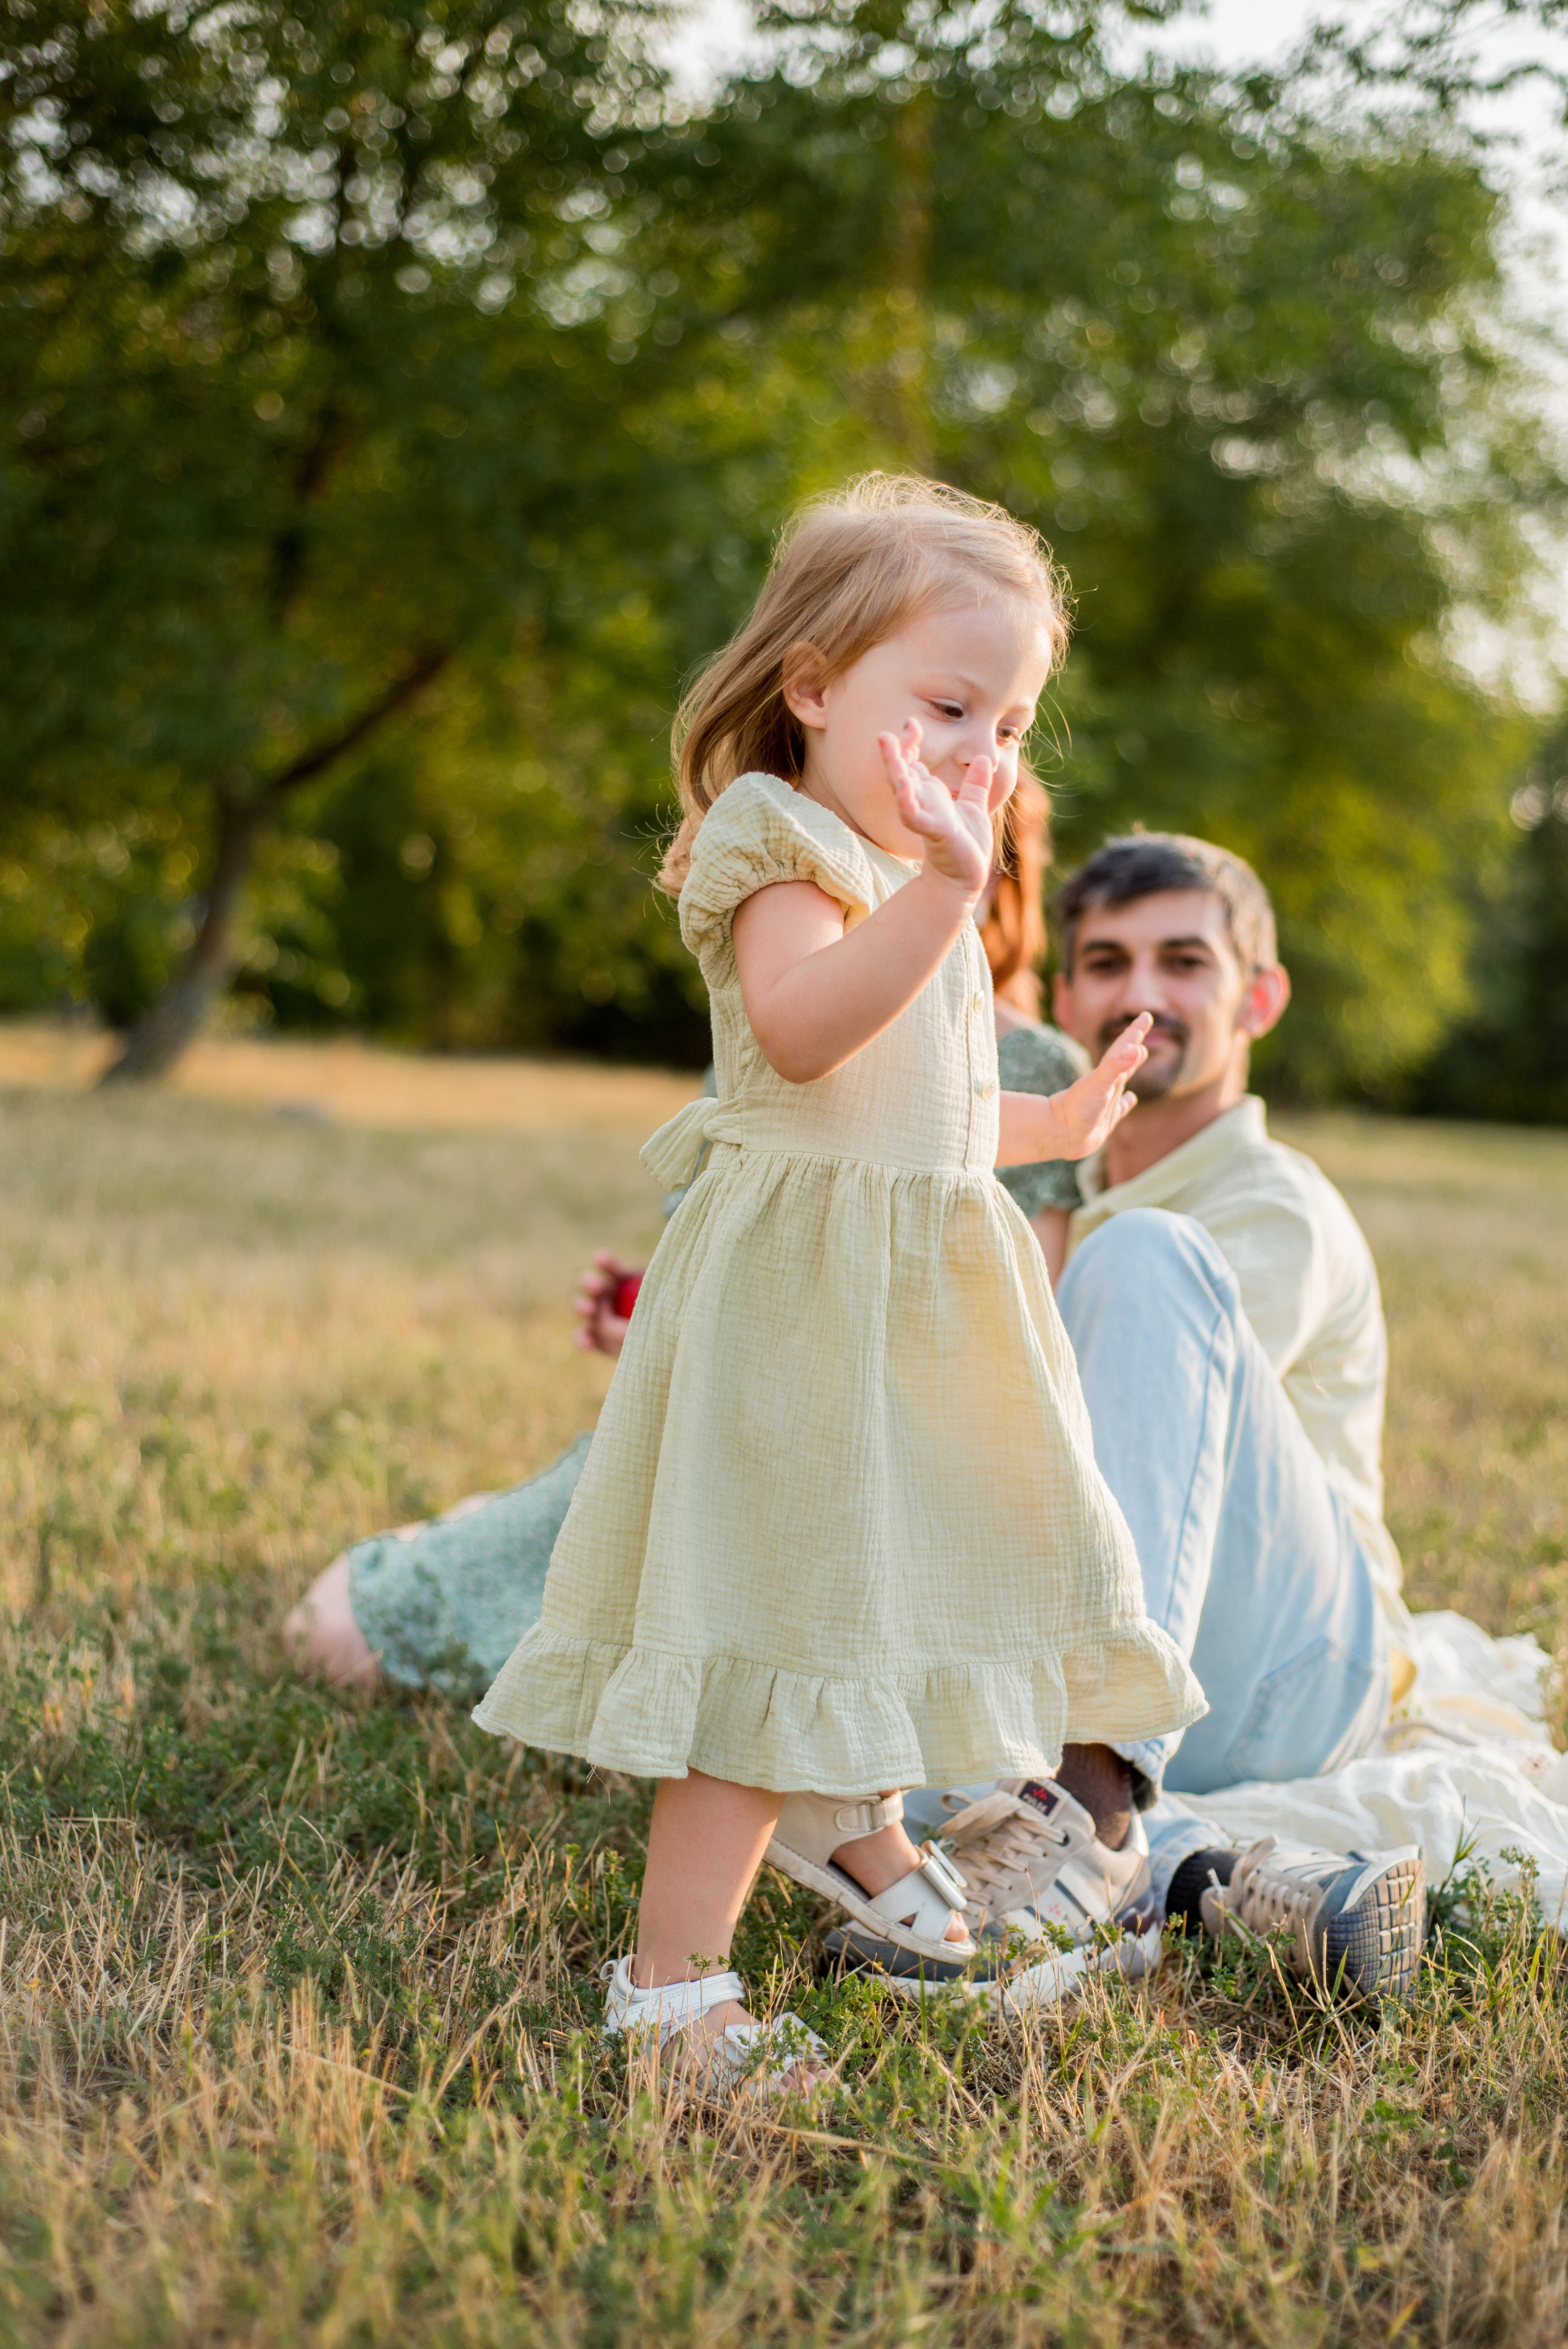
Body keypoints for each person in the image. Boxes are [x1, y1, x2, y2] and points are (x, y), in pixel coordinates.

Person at [468, 472, 1203, 2095]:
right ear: (811, 684)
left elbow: (920, 1102)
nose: (980, 755)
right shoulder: (781, 840)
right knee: (777, 1616)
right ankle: (670, 1994)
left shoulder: (919, 884)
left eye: (1008, 724)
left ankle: (856, 1830)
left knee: (868, 1591)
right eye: (946, 704)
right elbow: (805, 1036)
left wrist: (1060, 1117)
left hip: (905, 1312)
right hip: (801, 1311)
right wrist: (948, 888)